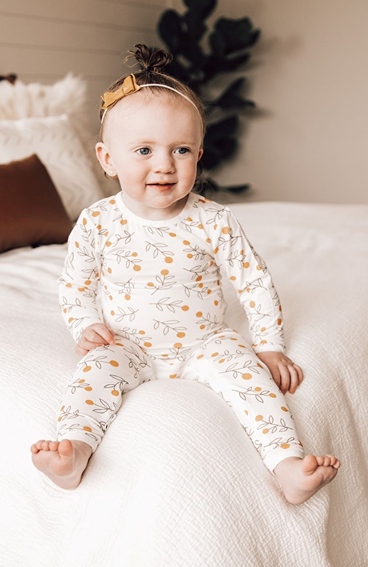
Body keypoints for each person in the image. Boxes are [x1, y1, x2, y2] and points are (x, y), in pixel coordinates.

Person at [31, 44, 340, 504]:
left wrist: (269, 347)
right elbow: (76, 285)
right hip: (126, 342)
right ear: (107, 158)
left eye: (181, 149)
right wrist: (86, 325)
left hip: (205, 340)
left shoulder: (213, 220)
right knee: (92, 375)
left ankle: (287, 464)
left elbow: (253, 282)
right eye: (143, 150)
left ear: (198, 154)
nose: (164, 164)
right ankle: (74, 451)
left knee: (249, 378)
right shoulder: (97, 222)